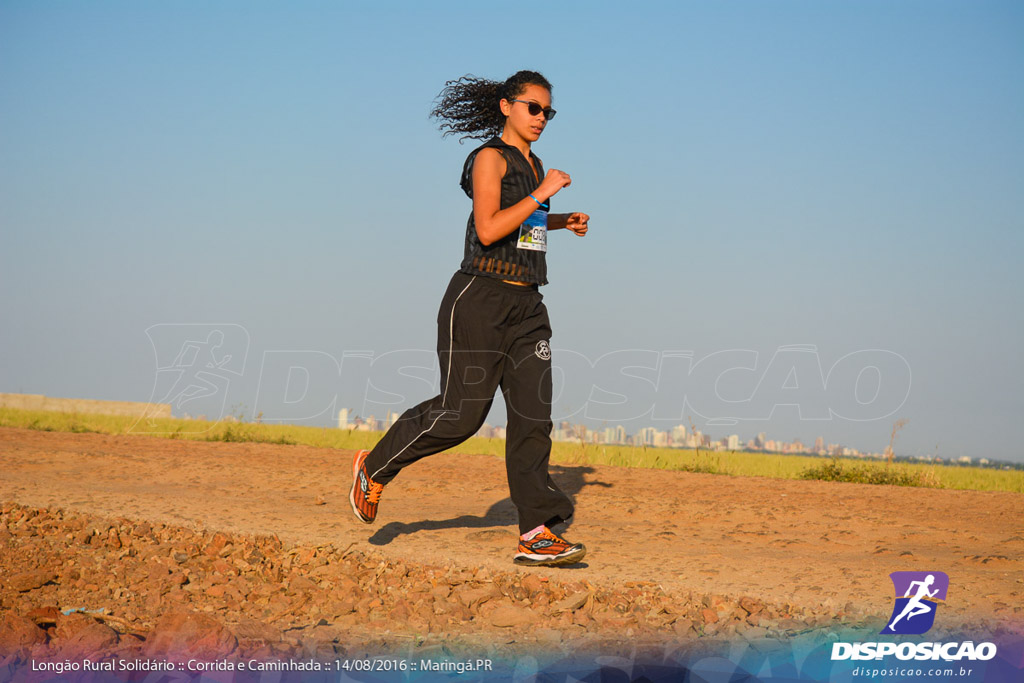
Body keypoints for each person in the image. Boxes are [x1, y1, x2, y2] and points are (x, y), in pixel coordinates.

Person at [349, 70, 591, 567]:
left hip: (529, 307)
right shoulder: (489, 158)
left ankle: (536, 532)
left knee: (532, 419)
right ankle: (374, 468)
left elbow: (522, 225)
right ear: (507, 106)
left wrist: (563, 220)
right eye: (534, 107)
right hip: (479, 299)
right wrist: (544, 192)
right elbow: (487, 230)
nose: (542, 118)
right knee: (461, 415)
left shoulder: (534, 163)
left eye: (549, 111)